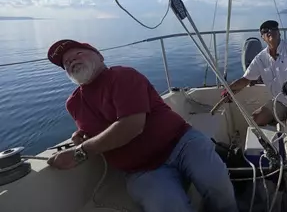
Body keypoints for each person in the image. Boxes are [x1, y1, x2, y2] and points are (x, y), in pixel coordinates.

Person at [45, 39, 238, 212]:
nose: (70, 61)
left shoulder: (122, 76)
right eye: (66, 63)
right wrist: (82, 136)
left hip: (181, 142)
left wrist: (81, 151)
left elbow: (131, 126)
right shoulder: (74, 104)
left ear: (99, 56)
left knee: (216, 182)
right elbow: (95, 131)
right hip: (141, 169)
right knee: (169, 207)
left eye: (77, 54)